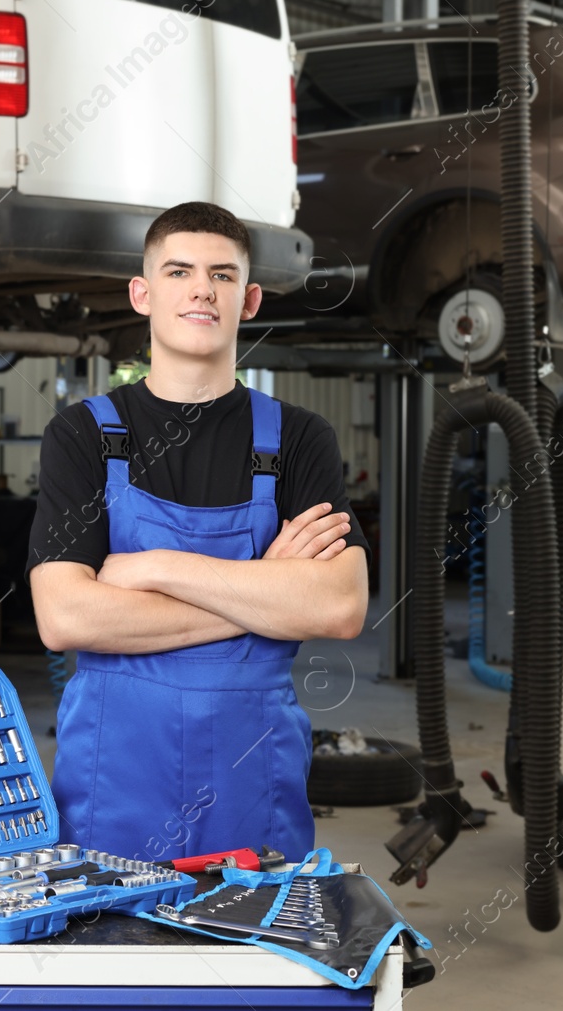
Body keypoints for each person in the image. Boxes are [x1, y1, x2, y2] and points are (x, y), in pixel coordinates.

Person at [26, 201, 370, 866]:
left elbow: (339, 606)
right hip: (116, 771)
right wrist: (265, 593)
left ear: (251, 299)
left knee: (253, 961)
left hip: (253, 774)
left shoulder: (299, 438)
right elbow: (64, 616)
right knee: (111, 959)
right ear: (143, 292)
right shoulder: (82, 436)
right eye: (180, 270)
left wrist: (152, 565)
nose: (202, 289)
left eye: (223, 274)